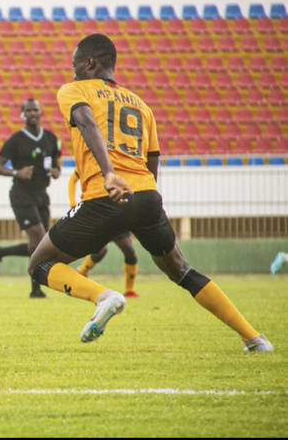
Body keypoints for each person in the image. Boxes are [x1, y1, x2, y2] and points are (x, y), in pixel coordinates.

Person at [26, 33, 272, 352]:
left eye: (74, 65)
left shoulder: (74, 90)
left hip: (104, 195)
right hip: (146, 196)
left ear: (89, 63)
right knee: (181, 269)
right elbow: (152, 162)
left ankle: (104, 297)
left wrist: (110, 174)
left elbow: (87, 123)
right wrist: (142, 209)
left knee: (38, 264)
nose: (71, 72)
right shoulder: (142, 106)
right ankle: (254, 338)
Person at [0, 98, 61, 299]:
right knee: (38, 236)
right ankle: (36, 289)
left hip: (41, 194)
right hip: (22, 194)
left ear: (40, 113)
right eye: (28, 110)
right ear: (23, 114)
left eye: (35, 110)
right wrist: (16, 172)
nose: (32, 113)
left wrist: (56, 171)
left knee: (38, 244)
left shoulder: (50, 137)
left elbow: (56, 162)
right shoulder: (16, 140)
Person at [68, 170, 140, 298]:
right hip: (99, 212)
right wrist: (73, 203)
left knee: (129, 250)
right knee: (100, 251)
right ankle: (81, 271)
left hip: (118, 212)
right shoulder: (93, 160)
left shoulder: (119, 159)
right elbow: (73, 179)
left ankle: (129, 290)